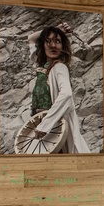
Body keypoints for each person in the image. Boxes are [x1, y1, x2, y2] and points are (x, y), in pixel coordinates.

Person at [27, 24, 91, 153]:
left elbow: (66, 95)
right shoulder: (42, 64)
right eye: (48, 41)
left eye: (58, 41)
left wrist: (46, 124)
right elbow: (31, 38)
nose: (53, 45)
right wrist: (57, 29)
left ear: (63, 47)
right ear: (42, 45)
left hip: (54, 125)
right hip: (41, 122)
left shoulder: (59, 67)